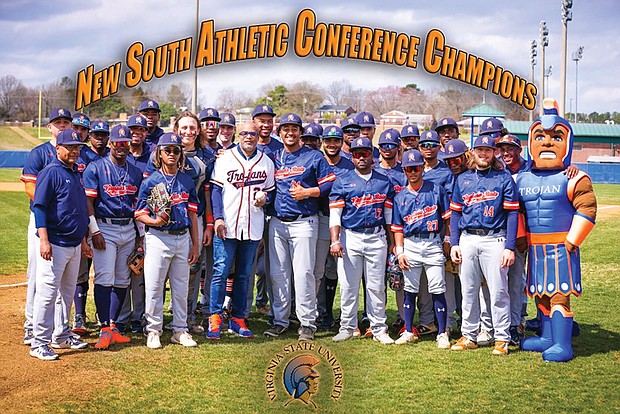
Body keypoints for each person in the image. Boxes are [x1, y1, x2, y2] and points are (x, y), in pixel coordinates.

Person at [518, 99, 597, 362]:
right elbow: (514, 211)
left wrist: (573, 240)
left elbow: (587, 209)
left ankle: (563, 344)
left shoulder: (574, 177)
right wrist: (518, 240)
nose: (547, 142)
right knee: (541, 295)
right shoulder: (521, 178)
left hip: (561, 247)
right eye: (540, 136)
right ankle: (547, 337)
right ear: (530, 142)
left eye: (556, 136)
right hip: (535, 249)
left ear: (568, 142)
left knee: (559, 296)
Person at [264, 113, 335, 341]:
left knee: (304, 273)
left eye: (294, 128)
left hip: (304, 221)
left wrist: (307, 192)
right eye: (286, 128)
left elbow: (329, 184)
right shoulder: (274, 156)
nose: (290, 132)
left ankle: (307, 323)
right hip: (277, 222)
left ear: (300, 132)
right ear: (280, 132)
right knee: (278, 274)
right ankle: (280, 321)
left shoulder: (313, 156)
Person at [449, 134, 519, 356]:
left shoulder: (503, 178)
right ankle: (469, 335)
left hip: (494, 238)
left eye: (488, 150)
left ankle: (501, 338)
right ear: (473, 152)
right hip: (468, 238)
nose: (483, 153)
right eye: (480, 150)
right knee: (468, 290)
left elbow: (512, 214)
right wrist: (454, 242)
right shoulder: (463, 179)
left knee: (498, 291)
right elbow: (455, 215)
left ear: (494, 153)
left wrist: (509, 246)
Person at [207, 121, 275, 340]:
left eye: (253, 134)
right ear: (238, 134)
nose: (248, 137)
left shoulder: (266, 162)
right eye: (245, 133)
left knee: (245, 275)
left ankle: (238, 318)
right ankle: (215, 316)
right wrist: (217, 218)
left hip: (252, 225)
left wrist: (266, 198)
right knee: (220, 271)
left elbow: (272, 192)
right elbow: (215, 190)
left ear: (258, 136)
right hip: (227, 225)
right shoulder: (225, 158)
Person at [29, 129, 92, 360]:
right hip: (55, 243)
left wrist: (83, 241)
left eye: (78, 147)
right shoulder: (51, 172)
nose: (75, 151)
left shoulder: (75, 173)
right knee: (47, 294)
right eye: (70, 147)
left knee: (66, 293)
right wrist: (44, 240)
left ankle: (61, 335)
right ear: (58, 149)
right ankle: (39, 343)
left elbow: (78, 211)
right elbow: (39, 207)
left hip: (74, 243)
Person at [135, 132, 200, 349]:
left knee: (181, 287)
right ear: (159, 153)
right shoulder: (151, 180)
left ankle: (180, 330)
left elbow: (192, 214)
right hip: (158, 238)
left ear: (181, 153)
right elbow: (138, 213)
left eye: (176, 150)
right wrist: (154, 221)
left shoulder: (186, 180)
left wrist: (196, 244)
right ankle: (153, 330)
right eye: (168, 150)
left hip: (182, 237)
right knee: (154, 286)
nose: (172, 154)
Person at [329, 136, 395, 345]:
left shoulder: (383, 181)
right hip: (351, 236)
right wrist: (335, 240)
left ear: (372, 155)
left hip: (376, 236)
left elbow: (388, 216)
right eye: (356, 154)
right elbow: (335, 214)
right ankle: (347, 327)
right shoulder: (343, 180)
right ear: (352, 156)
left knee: (376, 286)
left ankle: (379, 328)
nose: (361, 157)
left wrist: (392, 242)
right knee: (348, 285)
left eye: (365, 153)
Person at [83, 125, 143, 349]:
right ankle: (104, 328)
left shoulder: (135, 172)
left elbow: (138, 205)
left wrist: (141, 236)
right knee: (104, 277)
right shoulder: (95, 168)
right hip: (104, 227)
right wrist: (94, 230)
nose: (121, 147)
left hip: (128, 228)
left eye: (125, 143)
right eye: (117, 143)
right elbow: (88, 202)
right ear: (110, 144)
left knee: (122, 279)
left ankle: (113, 326)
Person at [21, 107, 73, 346]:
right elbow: (30, 188)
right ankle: (31, 326)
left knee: (63, 281)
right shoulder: (40, 153)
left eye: (66, 121)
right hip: (42, 221)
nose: (62, 124)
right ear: (49, 127)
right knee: (38, 274)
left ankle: (60, 331)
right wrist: (48, 209)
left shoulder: (75, 153)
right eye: (57, 122)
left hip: (65, 224)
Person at [391, 149, 451, 348]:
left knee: (437, 288)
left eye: (416, 168)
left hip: (433, 241)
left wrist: (448, 240)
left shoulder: (436, 189)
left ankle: (442, 333)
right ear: (404, 170)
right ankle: (409, 330)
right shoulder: (400, 197)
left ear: (422, 168)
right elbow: (397, 228)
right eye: (409, 169)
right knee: (410, 289)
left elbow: (447, 219)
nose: (413, 172)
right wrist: (399, 251)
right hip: (410, 244)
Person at [173, 111, 215, 335]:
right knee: (162, 272)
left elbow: (208, 194)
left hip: (195, 219)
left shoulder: (207, 157)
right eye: (184, 127)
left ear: (198, 130)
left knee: (193, 268)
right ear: (177, 128)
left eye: (192, 127)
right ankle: (159, 319)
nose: (188, 132)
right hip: (166, 221)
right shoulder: (163, 151)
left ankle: (188, 318)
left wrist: (208, 225)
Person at [315, 126, 354, 331]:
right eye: (328, 141)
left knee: (339, 270)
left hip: (344, 221)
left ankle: (332, 313)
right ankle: (321, 313)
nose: (332, 144)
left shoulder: (348, 165)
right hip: (321, 218)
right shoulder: (317, 161)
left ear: (341, 142)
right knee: (318, 269)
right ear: (323, 142)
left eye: (336, 141)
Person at [416, 130, 455, 336]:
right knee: (421, 280)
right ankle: (427, 320)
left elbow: (449, 209)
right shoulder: (413, 168)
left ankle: (446, 322)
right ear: (419, 147)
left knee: (441, 279)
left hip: (438, 230)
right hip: (416, 230)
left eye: (432, 144)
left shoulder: (446, 172)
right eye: (424, 144)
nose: (428, 148)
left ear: (439, 146)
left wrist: (448, 237)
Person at [117, 114, 150, 334]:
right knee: (121, 272)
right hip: (120, 221)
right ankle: (121, 317)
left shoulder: (153, 155)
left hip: (141, 221)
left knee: (138, 272)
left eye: (141, 128)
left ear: (146, 132)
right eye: (132, 128)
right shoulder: (119, 156)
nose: (136, 131)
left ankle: (138, 317)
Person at [375, 128, 408, 330]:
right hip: (377, 229)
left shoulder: (404, 172)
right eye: (384, 146)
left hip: (398, 230)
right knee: (376, 278)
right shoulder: (372, 170)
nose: (387, 149)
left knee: (399, 277)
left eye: (392, 146)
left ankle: (404, 317)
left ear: (398, 148)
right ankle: (375, 318)